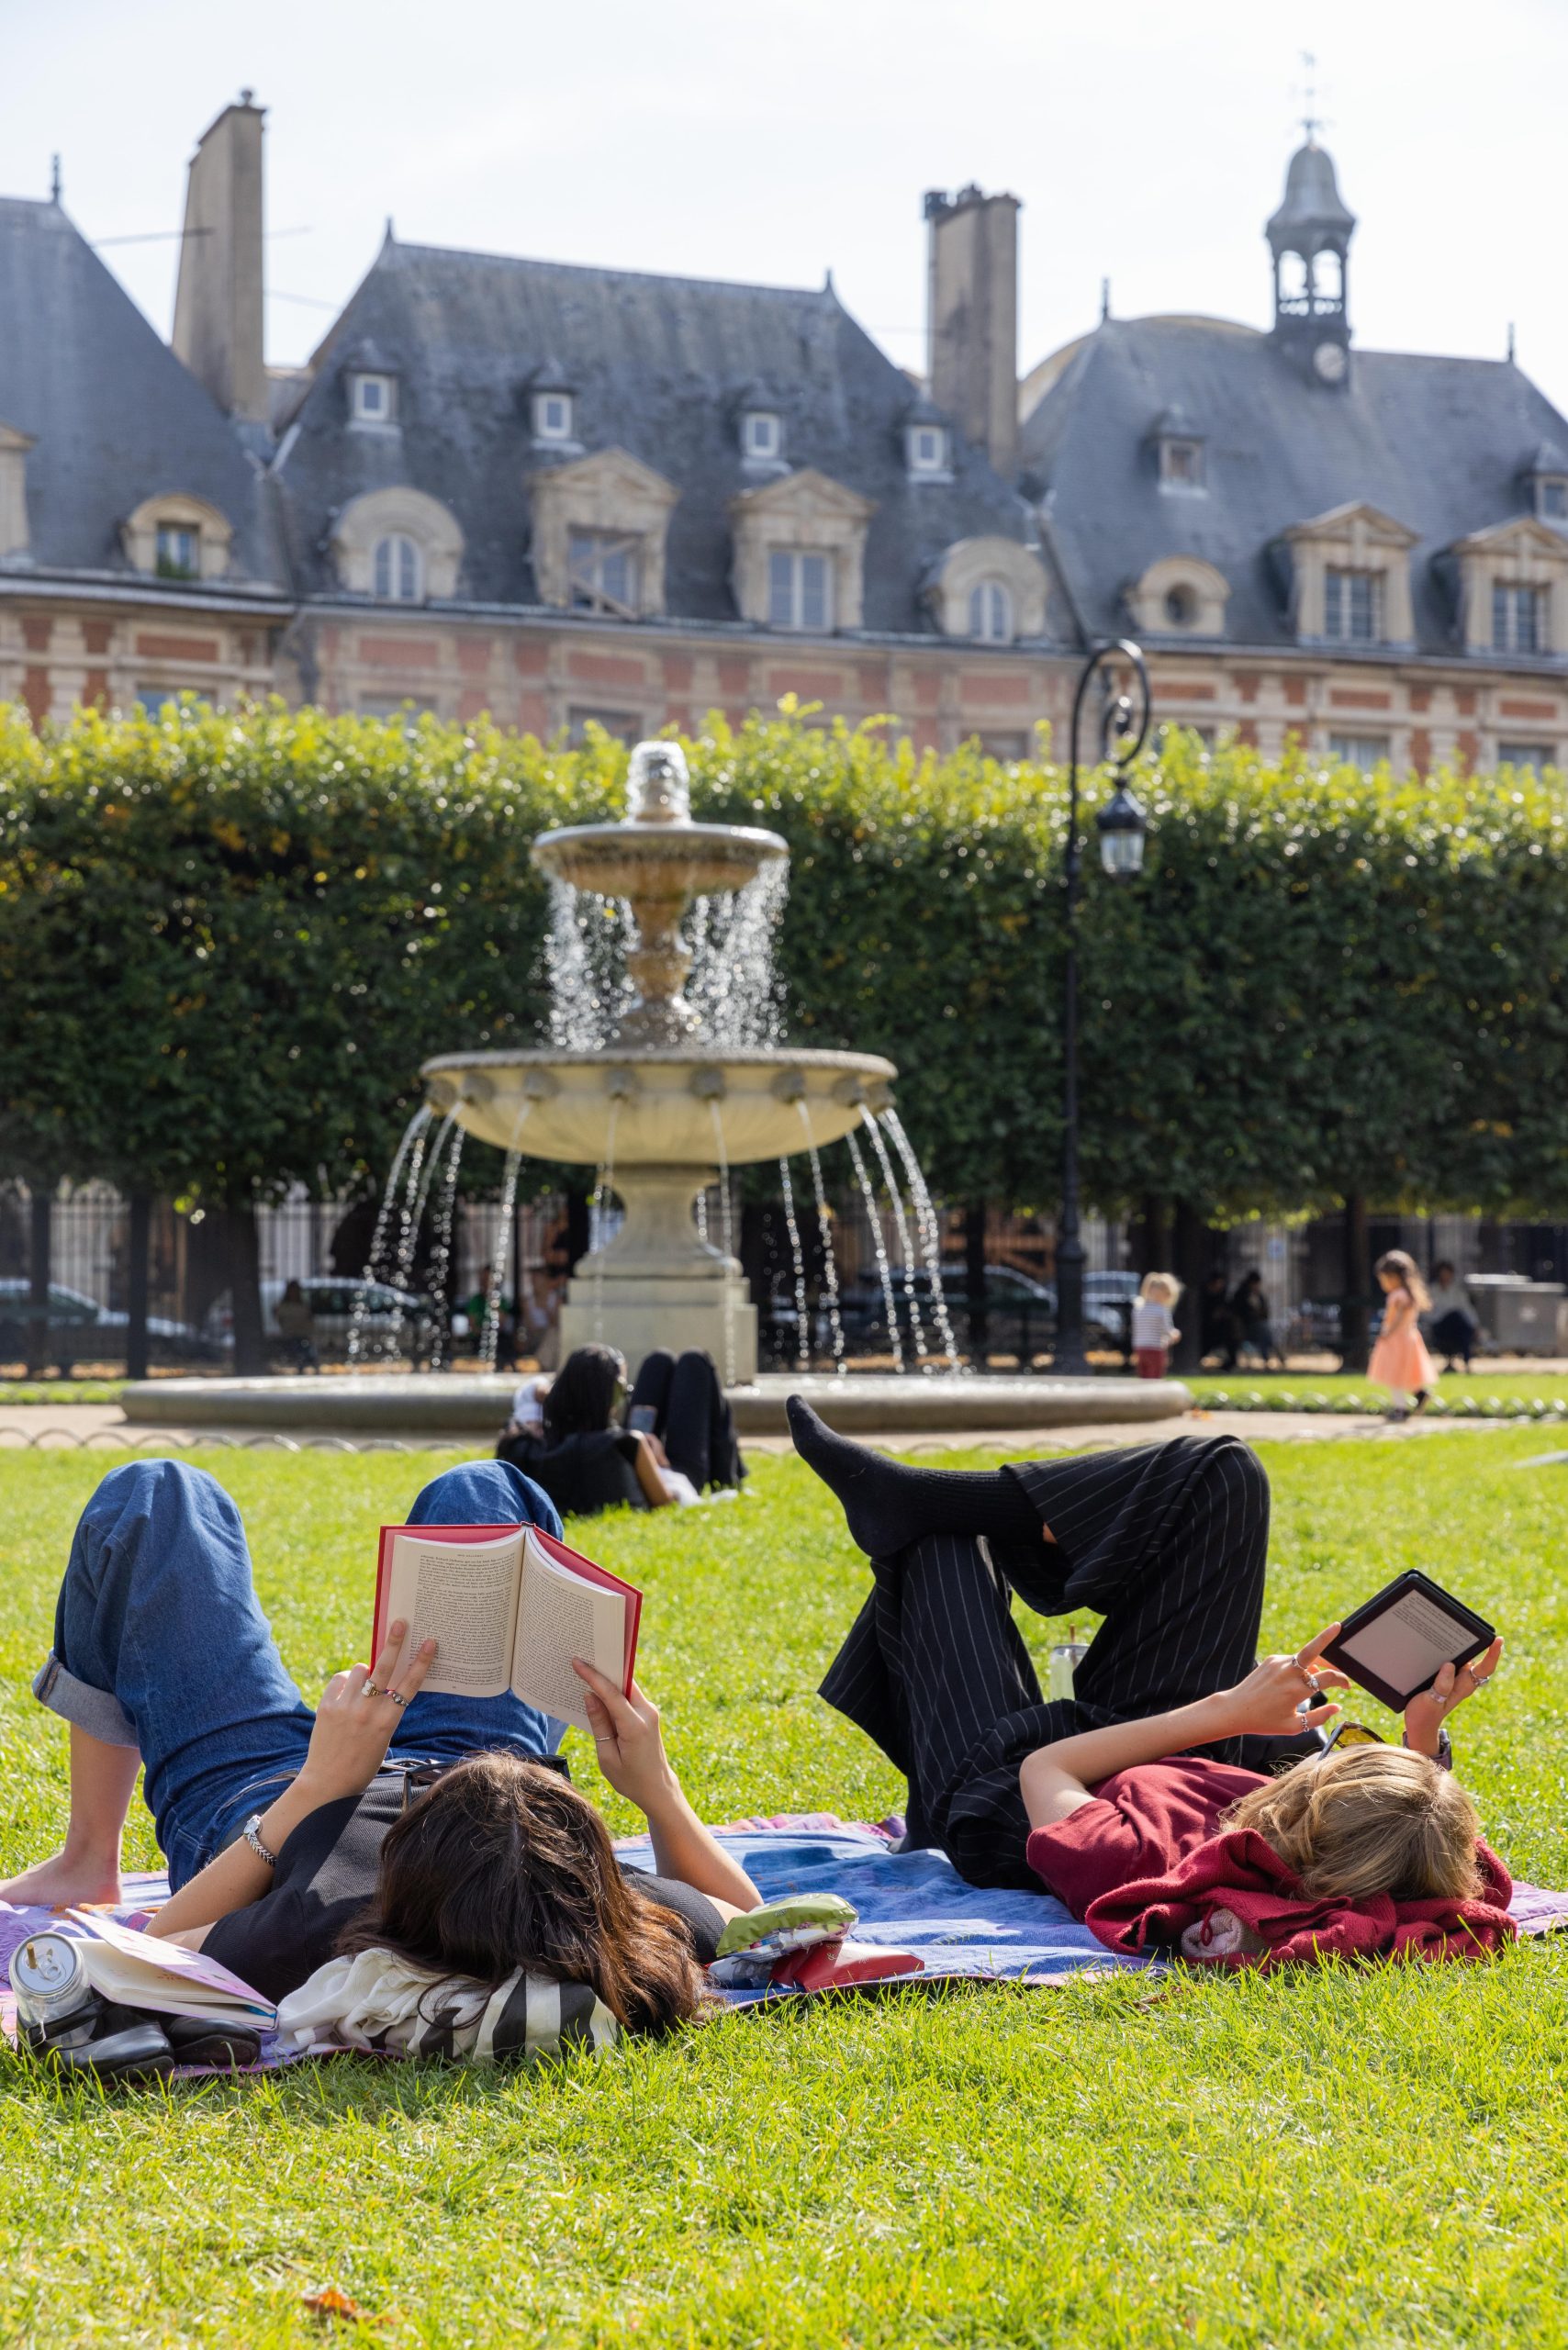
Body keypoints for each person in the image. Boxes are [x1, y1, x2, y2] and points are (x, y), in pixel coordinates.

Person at [0, 1458, 760, 2024]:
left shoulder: (321, 1921)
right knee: (489, 1491)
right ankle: (482, 1770)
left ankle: (87, 1861)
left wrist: (321, 1787)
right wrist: (657, 1792)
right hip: (486, 1810)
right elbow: (739, 1911)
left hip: (275, 1808)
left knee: (157, 1498)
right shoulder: (595, 1916)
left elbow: (151, 1950)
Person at [788, 1399, 1510, 1965]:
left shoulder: (1135, 1858)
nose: (1331, 1754)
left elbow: (1050, 1766)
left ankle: (921, 1508)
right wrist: (1422, 1737)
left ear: (1298, 1820)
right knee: (1226, 1473)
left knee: (940, 1549)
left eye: (1335, 1767)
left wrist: (1226, 1710)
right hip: (1163, 1759)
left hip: (1004, 1795)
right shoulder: (1341, 1841)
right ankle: (928, 1496)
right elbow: (1436, 1855)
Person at [497, 1344, 742, 1516]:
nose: (624, 1398)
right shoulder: (630, 1443)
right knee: (696, 1361)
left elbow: (529, 1393)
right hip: (671, 1472)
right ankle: (728, 1477)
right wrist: (660, 1460)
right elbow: (667, 1501)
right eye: (622, 1390)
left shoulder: (532, 1440)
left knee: (660, 1360)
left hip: (613, 1451)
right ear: (607, 1397)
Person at [1369, 1248, 1437, 1420]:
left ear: (1393, 1277)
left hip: (1396, 1340)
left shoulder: (1397, 1296)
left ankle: (1401, 1408)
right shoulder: (1410, 1294)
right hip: (1410, 1337)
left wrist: (1387, 1332)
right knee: (1406, 1372)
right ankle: (1419, 1392)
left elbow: (1396, 1318)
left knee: (1394, 1376)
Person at [1426, 1260, 1479, 1374]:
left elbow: (1467, 1308)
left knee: (1461, 1323)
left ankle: (1467, 1361)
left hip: (1457, 1326)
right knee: (1454, 1316)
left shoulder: (1457, 1291)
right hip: (1440, 1325)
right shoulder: (1432, 1290)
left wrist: (1475, 1325)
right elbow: (1428, 1312)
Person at [1228, 1270, 1282, 1368]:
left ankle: (1271, 1357)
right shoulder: (1242, 1294)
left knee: (1266, 1333)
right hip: (1246, 1326)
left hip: (1259, 1326)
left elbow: (1265, 1311)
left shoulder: (1258, 1295)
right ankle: (1272, 1357)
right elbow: (1240, 1312)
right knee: (1265, 1332)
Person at [1131, 1272, 1181, 1380]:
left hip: (1140, 1348)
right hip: (1155, 1349)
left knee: (1143, 1377)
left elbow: (1137, 1330)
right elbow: (1167, 1331)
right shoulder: (1161, 1310)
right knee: (1155, 1377)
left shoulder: (1138, 1309)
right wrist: (1175, 1335)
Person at [274, 1279, 319, 1373]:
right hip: (290, 1335)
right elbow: (279, 1319)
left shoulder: (304, 1305)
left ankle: (310, 1369)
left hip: (304, 1334)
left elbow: (310, 1320)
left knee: (308, 1353)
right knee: (296, 1353)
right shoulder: (283, 1306)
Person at [1199, 1270, 1238, 1369]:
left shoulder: (1222, 1295)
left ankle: (1230, 1363)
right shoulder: (1203, 1295)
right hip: (1206, 1328)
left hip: (1221, 1329)